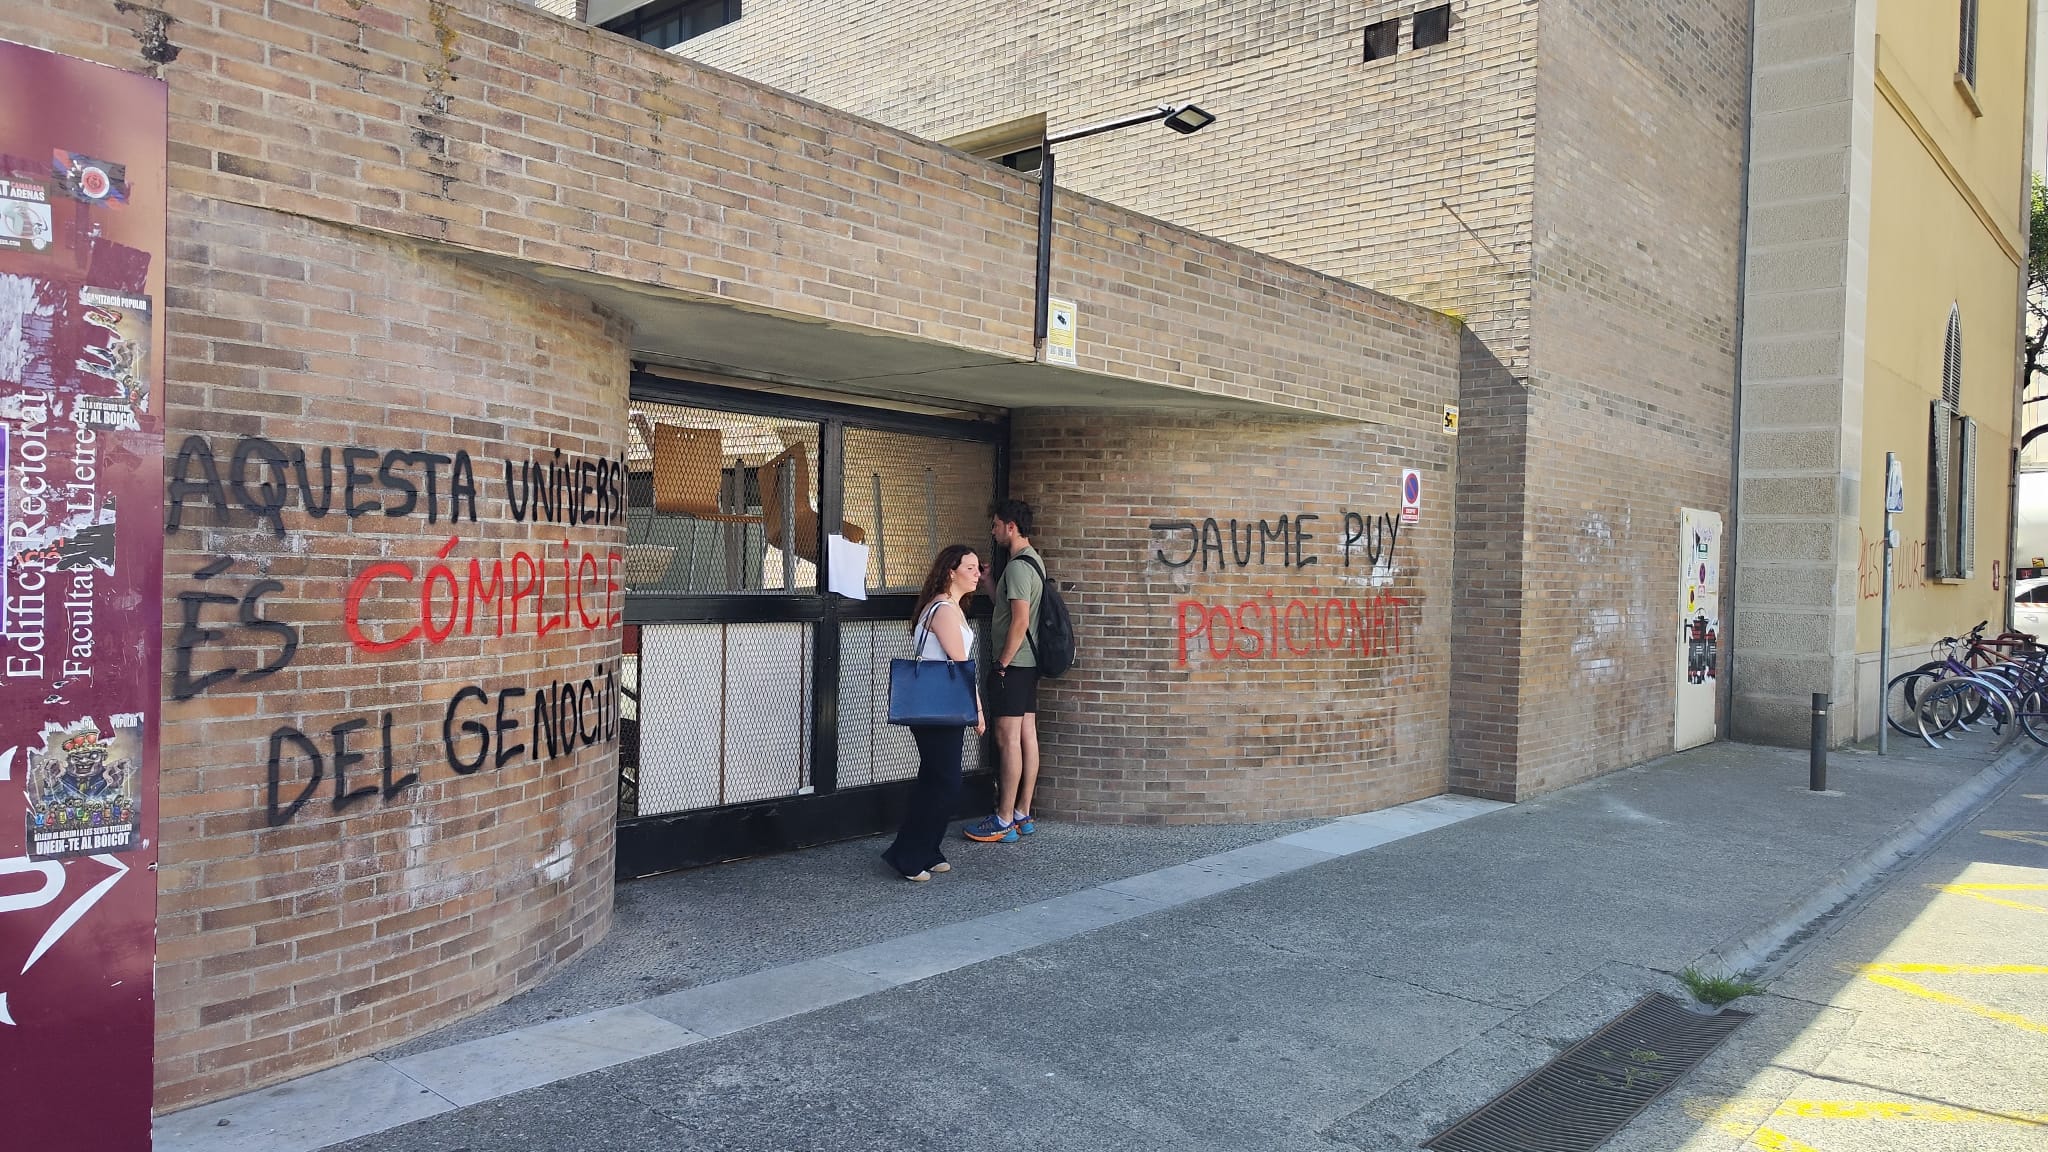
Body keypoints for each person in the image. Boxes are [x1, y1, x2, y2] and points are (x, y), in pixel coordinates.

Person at [882, 544, 986, 882]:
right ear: (950, 571)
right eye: (970, 568)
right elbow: (959, 665)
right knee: (944, 782)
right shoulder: (943, 609)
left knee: (935, 780)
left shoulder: (950, 607)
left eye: (978, 568)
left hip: (940, 707)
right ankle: (909, 855)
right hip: (939, 707)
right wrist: (978, 711)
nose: (977, 574)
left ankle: (927, 849)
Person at [965, 499, 1044, 844]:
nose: (993, 530)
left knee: (1007, 738)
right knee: (1027, 735)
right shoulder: (1031, 562)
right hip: (1029, 664)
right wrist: (988, 582)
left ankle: (1003, 817)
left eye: (996, 524)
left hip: (1015, 665)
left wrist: (1002, 664)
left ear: (1011, 526)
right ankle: (1023, 813)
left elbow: (1021, 620)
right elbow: (1007, 607)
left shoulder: (1018, 567)